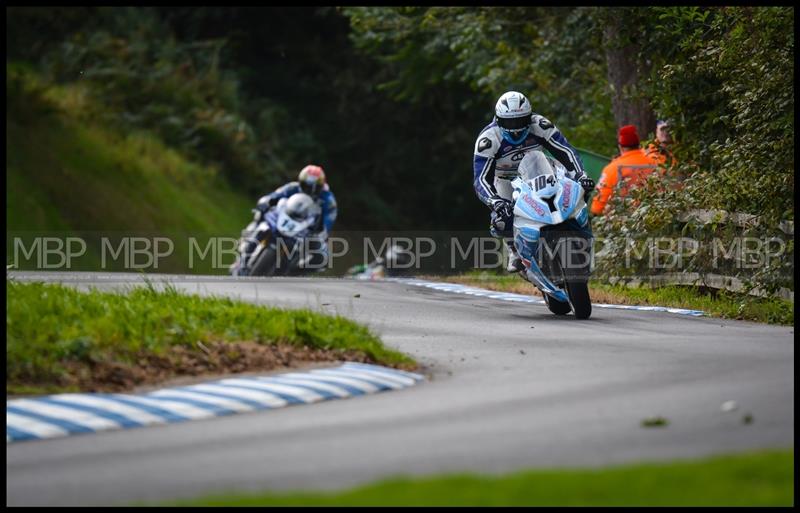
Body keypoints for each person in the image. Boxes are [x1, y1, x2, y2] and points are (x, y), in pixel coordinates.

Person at [473, 91, 595, 272]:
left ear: (529, 118)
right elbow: (481, 178)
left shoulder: (540, 125)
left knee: (577, 193)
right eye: (509, 122)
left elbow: (566, 152)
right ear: (498, 120)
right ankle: (514, 250)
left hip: (539, 170)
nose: (515, 129)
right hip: (506, 180)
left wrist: (580, 175)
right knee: (502, 218)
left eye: (521, 121)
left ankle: (584, 242)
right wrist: (494, 200)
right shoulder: (488, 140)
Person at [590, 125, 660, 216]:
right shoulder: (655, 163)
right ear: (639, 145)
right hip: (652, 218)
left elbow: (597, 208)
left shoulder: (612, 168)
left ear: (620, 147)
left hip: (623, 222)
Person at [256, 164, 338, 235]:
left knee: (319, 250)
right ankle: (252, 232)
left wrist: (321, 231)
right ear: (301, 182)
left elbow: (329, 220)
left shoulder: (328, 200)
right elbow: (275, 195)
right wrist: (266, 201)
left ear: (321, 187)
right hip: (282, 217)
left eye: (315, 188)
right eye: (306, 186)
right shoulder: (293, 187)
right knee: (261, 214)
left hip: (304, 229)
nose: (310, 191)